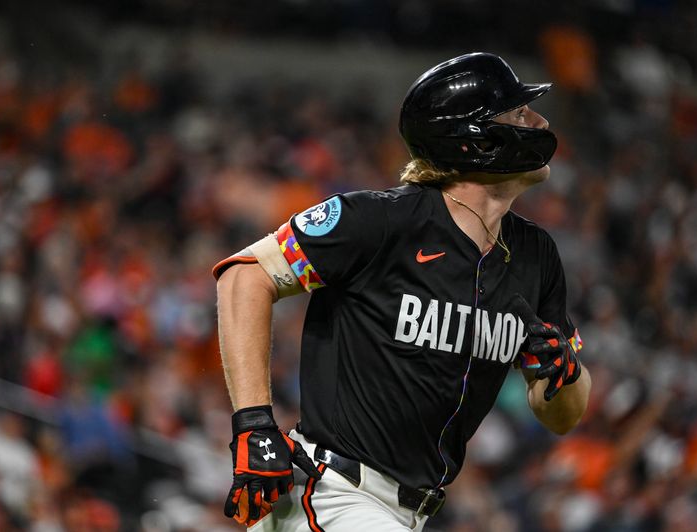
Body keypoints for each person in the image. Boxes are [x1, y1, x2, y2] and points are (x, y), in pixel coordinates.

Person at [213, 52, 592, 531]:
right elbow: (244, 275)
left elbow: (561, 416)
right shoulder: (379, 221)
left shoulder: (536, 255)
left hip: (409, 513)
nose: (539, 122)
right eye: (518, 113)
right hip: (333, 495)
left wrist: (566, 371)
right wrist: (253, 423)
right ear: (476, 140)